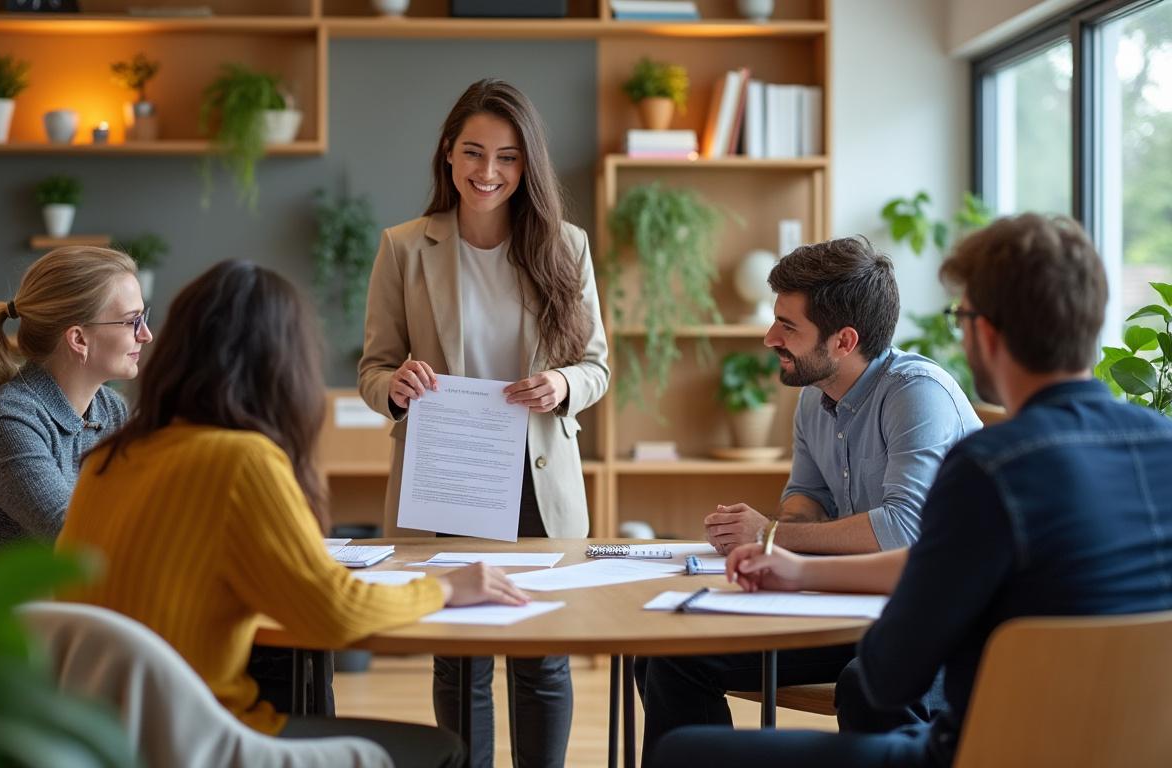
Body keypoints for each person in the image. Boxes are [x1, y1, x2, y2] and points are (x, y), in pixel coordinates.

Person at [649, 213, 1172, 767]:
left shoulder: (991, 467)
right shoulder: (1162, 444)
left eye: (960, 316)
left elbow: (889, 673)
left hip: (974, 753)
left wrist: (787, 548)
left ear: (985, 332)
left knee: (684, 752)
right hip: (1127, 749)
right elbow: (935, 564)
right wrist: (803, 571)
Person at [58, 260, 530, 768]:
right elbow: (335, 613)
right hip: (198, 742)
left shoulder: (109, 458)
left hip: (99, 741)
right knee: (445, 751)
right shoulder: (240, 461)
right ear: (283, 366)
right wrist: (447, 589)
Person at [638, 236, 979, 756]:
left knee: (868, 682)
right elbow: (805, 496)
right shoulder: (814, 396)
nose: (769, 337)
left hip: (932, 617)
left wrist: (772, 535)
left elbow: (901, 531)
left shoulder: (917, 393)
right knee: (671, 656)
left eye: (788, 326)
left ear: (844, 341)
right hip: (850, 607)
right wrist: (765, 538)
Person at [358, 79, 609, 767]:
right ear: (448, 153)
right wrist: (395, 388)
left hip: (537, 478)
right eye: (473, 152)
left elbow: (596, 366)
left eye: (507, 157)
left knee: (541, 656)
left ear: (527, 166)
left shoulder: (566, 246)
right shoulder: (404, 248)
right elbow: (374, 368)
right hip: (447, 473)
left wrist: (562, 383)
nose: (487, 172)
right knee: (460, 658)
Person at [0, 246, 150, 572]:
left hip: (58, 599)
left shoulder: (111, 409)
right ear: (78, 339)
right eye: (132, 321)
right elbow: (77, 539)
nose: (146, 334)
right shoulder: (8, 422)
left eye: (143, 317)